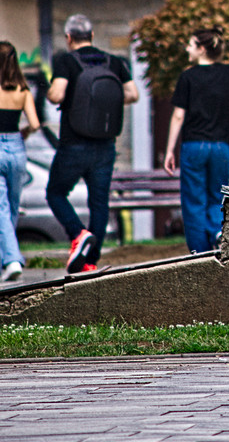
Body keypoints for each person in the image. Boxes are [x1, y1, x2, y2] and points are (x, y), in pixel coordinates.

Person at [46, 15, 139, 272]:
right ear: (92, 35)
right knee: (99, 202)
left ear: (69, 38)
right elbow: (132, 94)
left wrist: (50, 92)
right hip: (105, 145)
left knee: (55, 193)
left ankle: (78, 234)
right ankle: (89, 261)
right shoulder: (114, 62)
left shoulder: (66, 62)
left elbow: (57, 94)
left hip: (73, 144)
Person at [163, 28, 229, 254]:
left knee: (194, 201)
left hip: (194, 146)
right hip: (221, 147)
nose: (187, 49)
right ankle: (217, 232)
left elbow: (178, 116)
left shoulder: (188, 77)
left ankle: (200, 252)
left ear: (202, 49)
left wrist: (169, 150)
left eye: (190, 45)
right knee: (217, 196)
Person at [0, 43, 41, 282]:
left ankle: (11, 259)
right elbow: (35, 124)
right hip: (16, 147)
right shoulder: (22, 90)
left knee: (1, 208)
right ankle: (8, 258)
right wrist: (23, 132)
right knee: (12, 206)